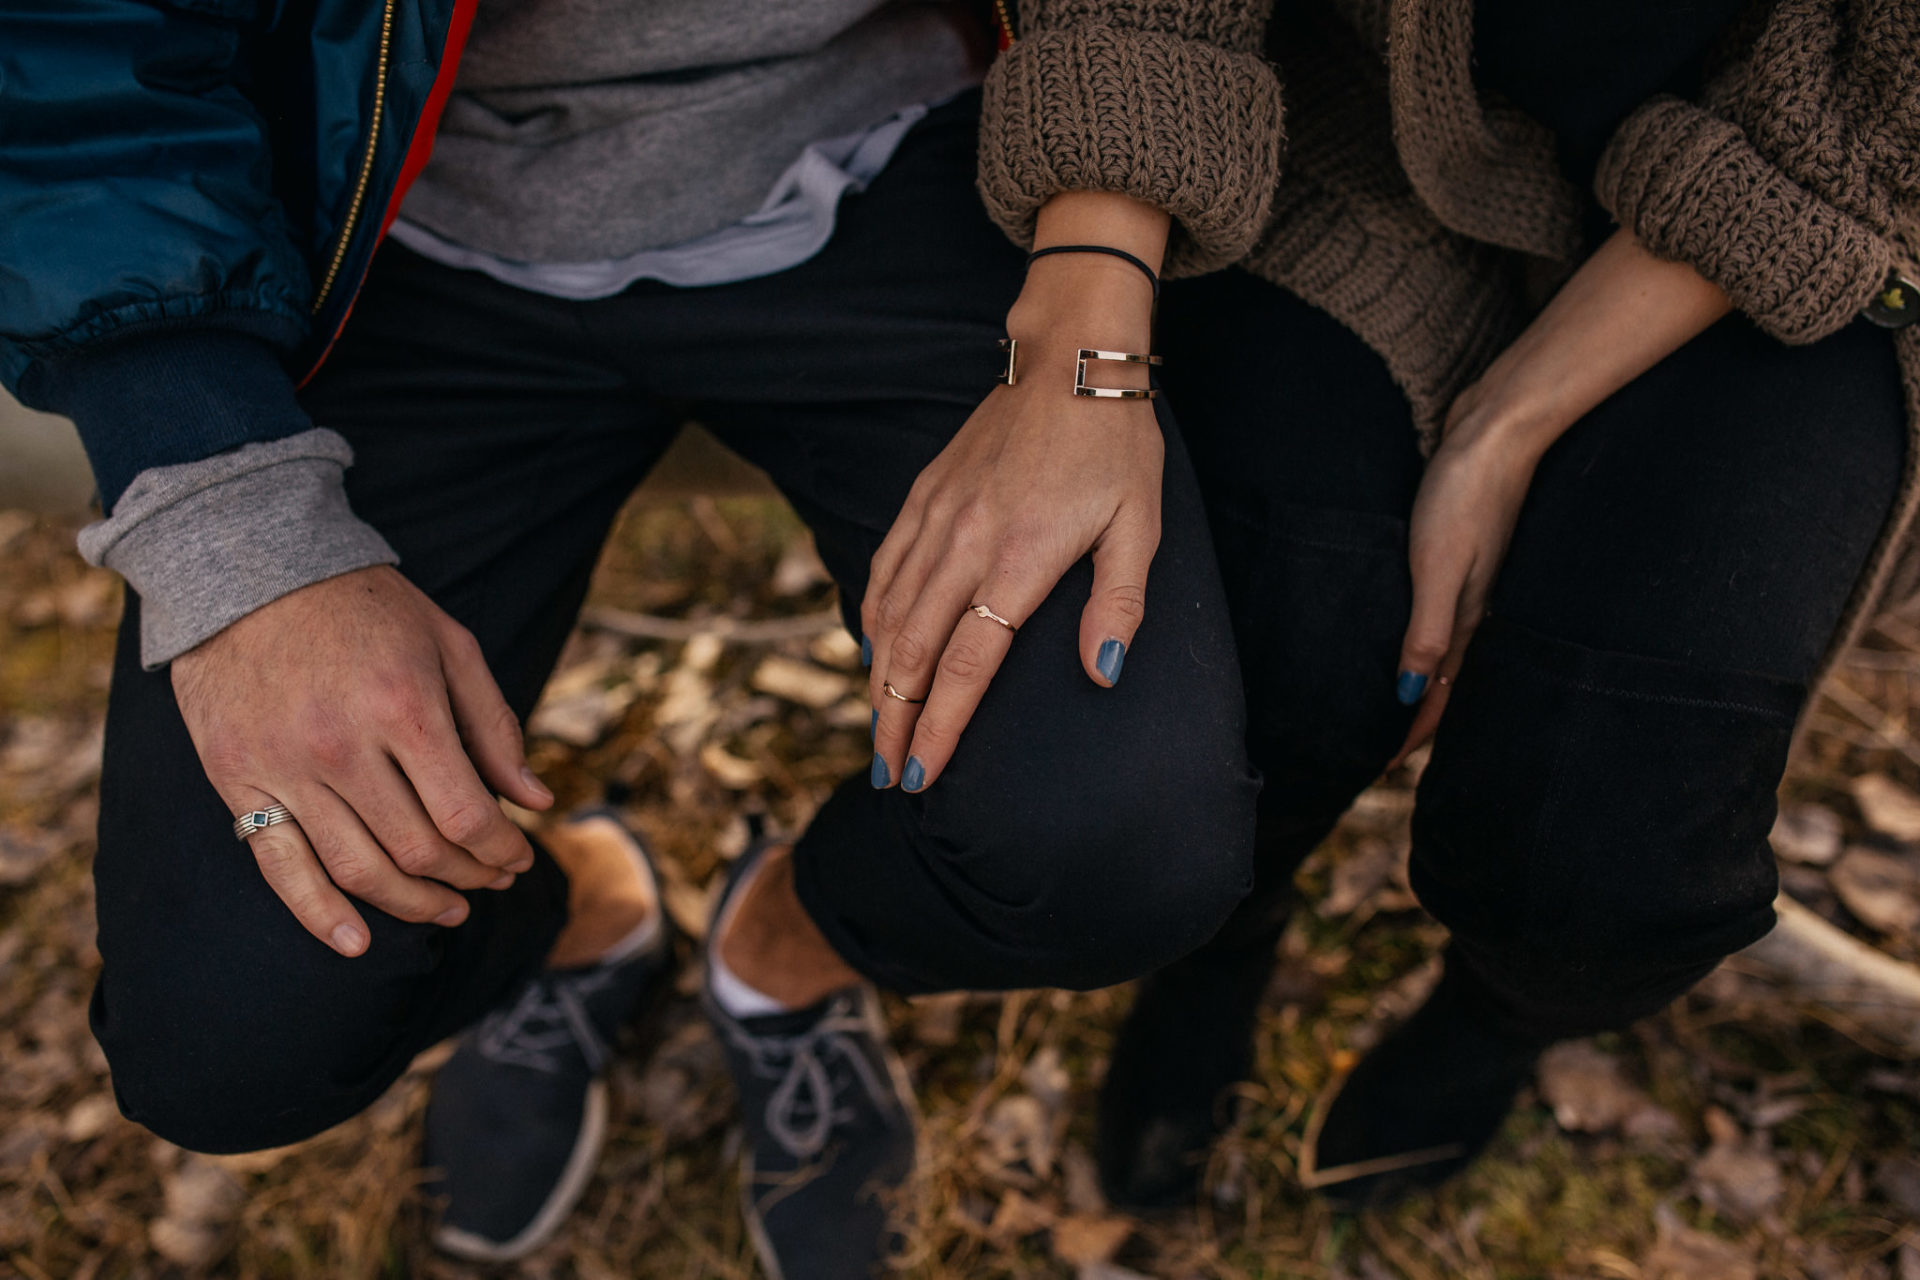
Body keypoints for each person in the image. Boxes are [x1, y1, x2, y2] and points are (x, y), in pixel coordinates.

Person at [0, 1, 1283, 1274]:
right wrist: (232, 529)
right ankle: (568, 912)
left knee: (1119, 841)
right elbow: (66, 41)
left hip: (900, 160)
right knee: (226, 1046)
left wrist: (1090, 306)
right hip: (379, 208)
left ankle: (779, 946)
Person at [1082, 0, 1920, 1211]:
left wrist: (1504, 422)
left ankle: (1494, 1020)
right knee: (1277, 662)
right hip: (1375, 131)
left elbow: (1877, 120)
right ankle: (1219, 949)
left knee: (1604, 856)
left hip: (1836, 221)